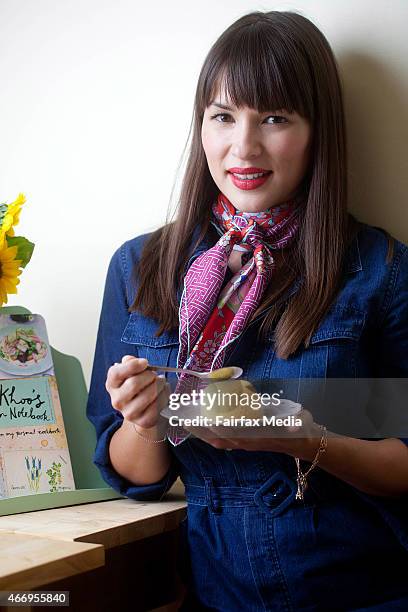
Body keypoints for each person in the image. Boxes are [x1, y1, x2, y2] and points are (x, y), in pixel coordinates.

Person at [86, 10, 408, 611]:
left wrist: (298, 437)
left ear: (318, 131)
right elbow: (135, 477)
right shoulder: (140, 267)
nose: (244, 147)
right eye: (223, 117)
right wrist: (141, 418)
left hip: (367, 594)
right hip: (218, 597)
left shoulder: (378, 269)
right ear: (201, 126)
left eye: (276, 118)